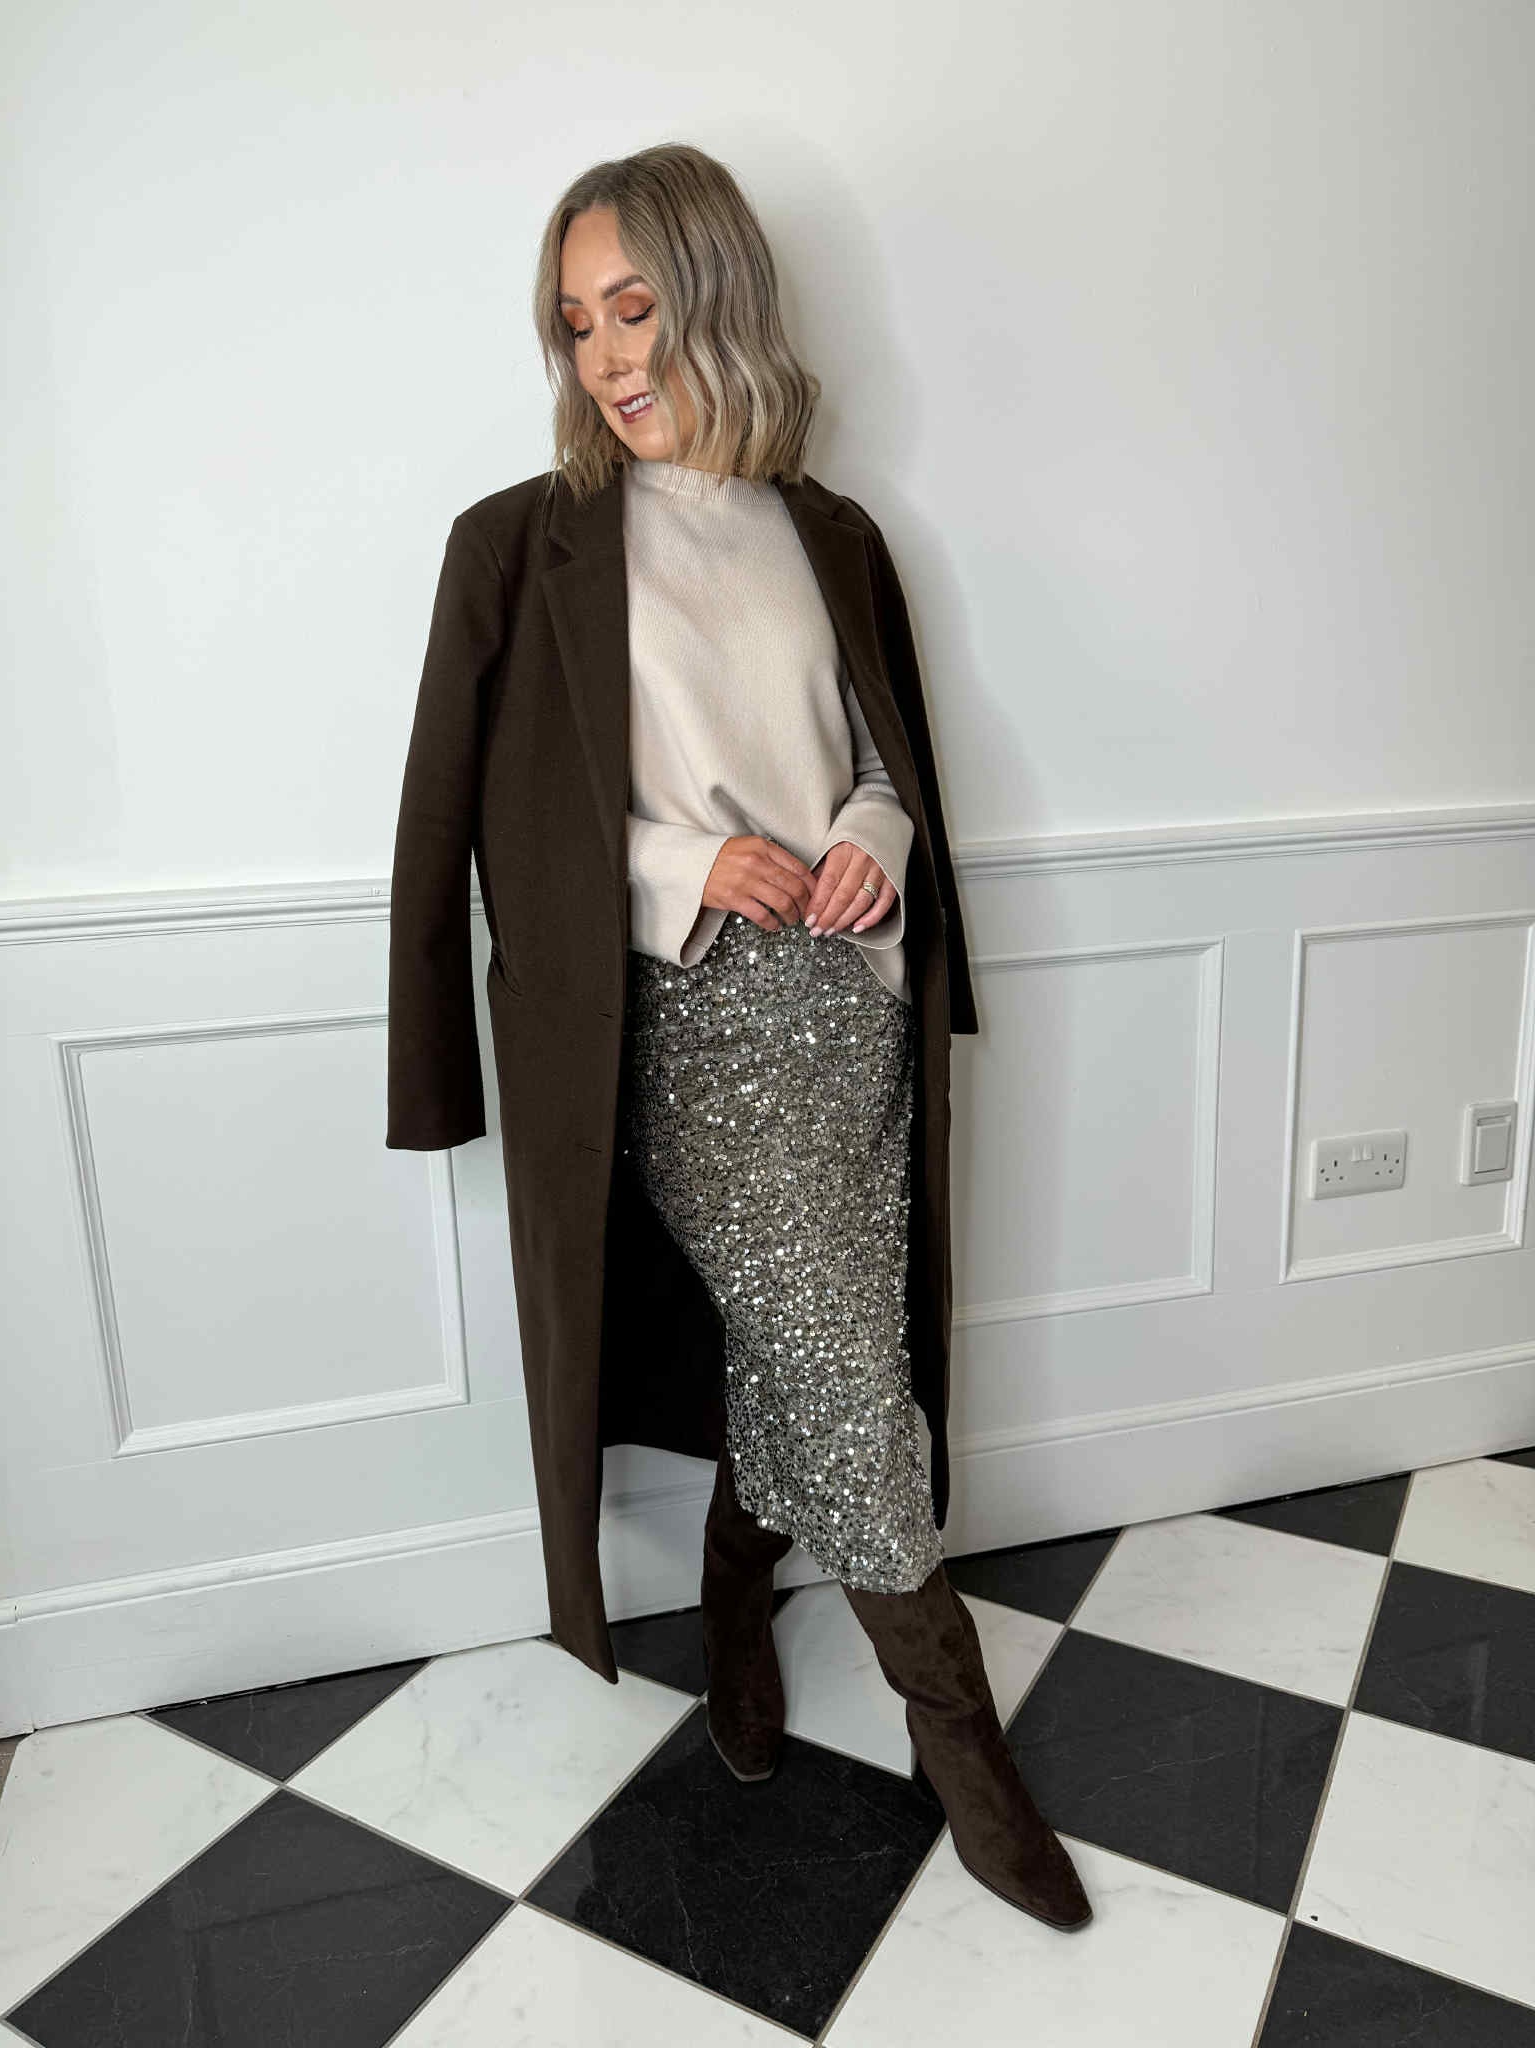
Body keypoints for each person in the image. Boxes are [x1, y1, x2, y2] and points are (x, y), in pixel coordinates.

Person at [390, 141, 1090, 1933]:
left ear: (718, 298)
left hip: (852, 1010)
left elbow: (887, 766)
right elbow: (491, 828)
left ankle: (729, 1599)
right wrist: (691, 861)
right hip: (682, 1020)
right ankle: (962, 1741)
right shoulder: (519, 545)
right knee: (848, 1368)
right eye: (576, 323)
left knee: (818, 1340)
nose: (608, 356)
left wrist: (867, 841)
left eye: (635, 308)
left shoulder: (831, 532)